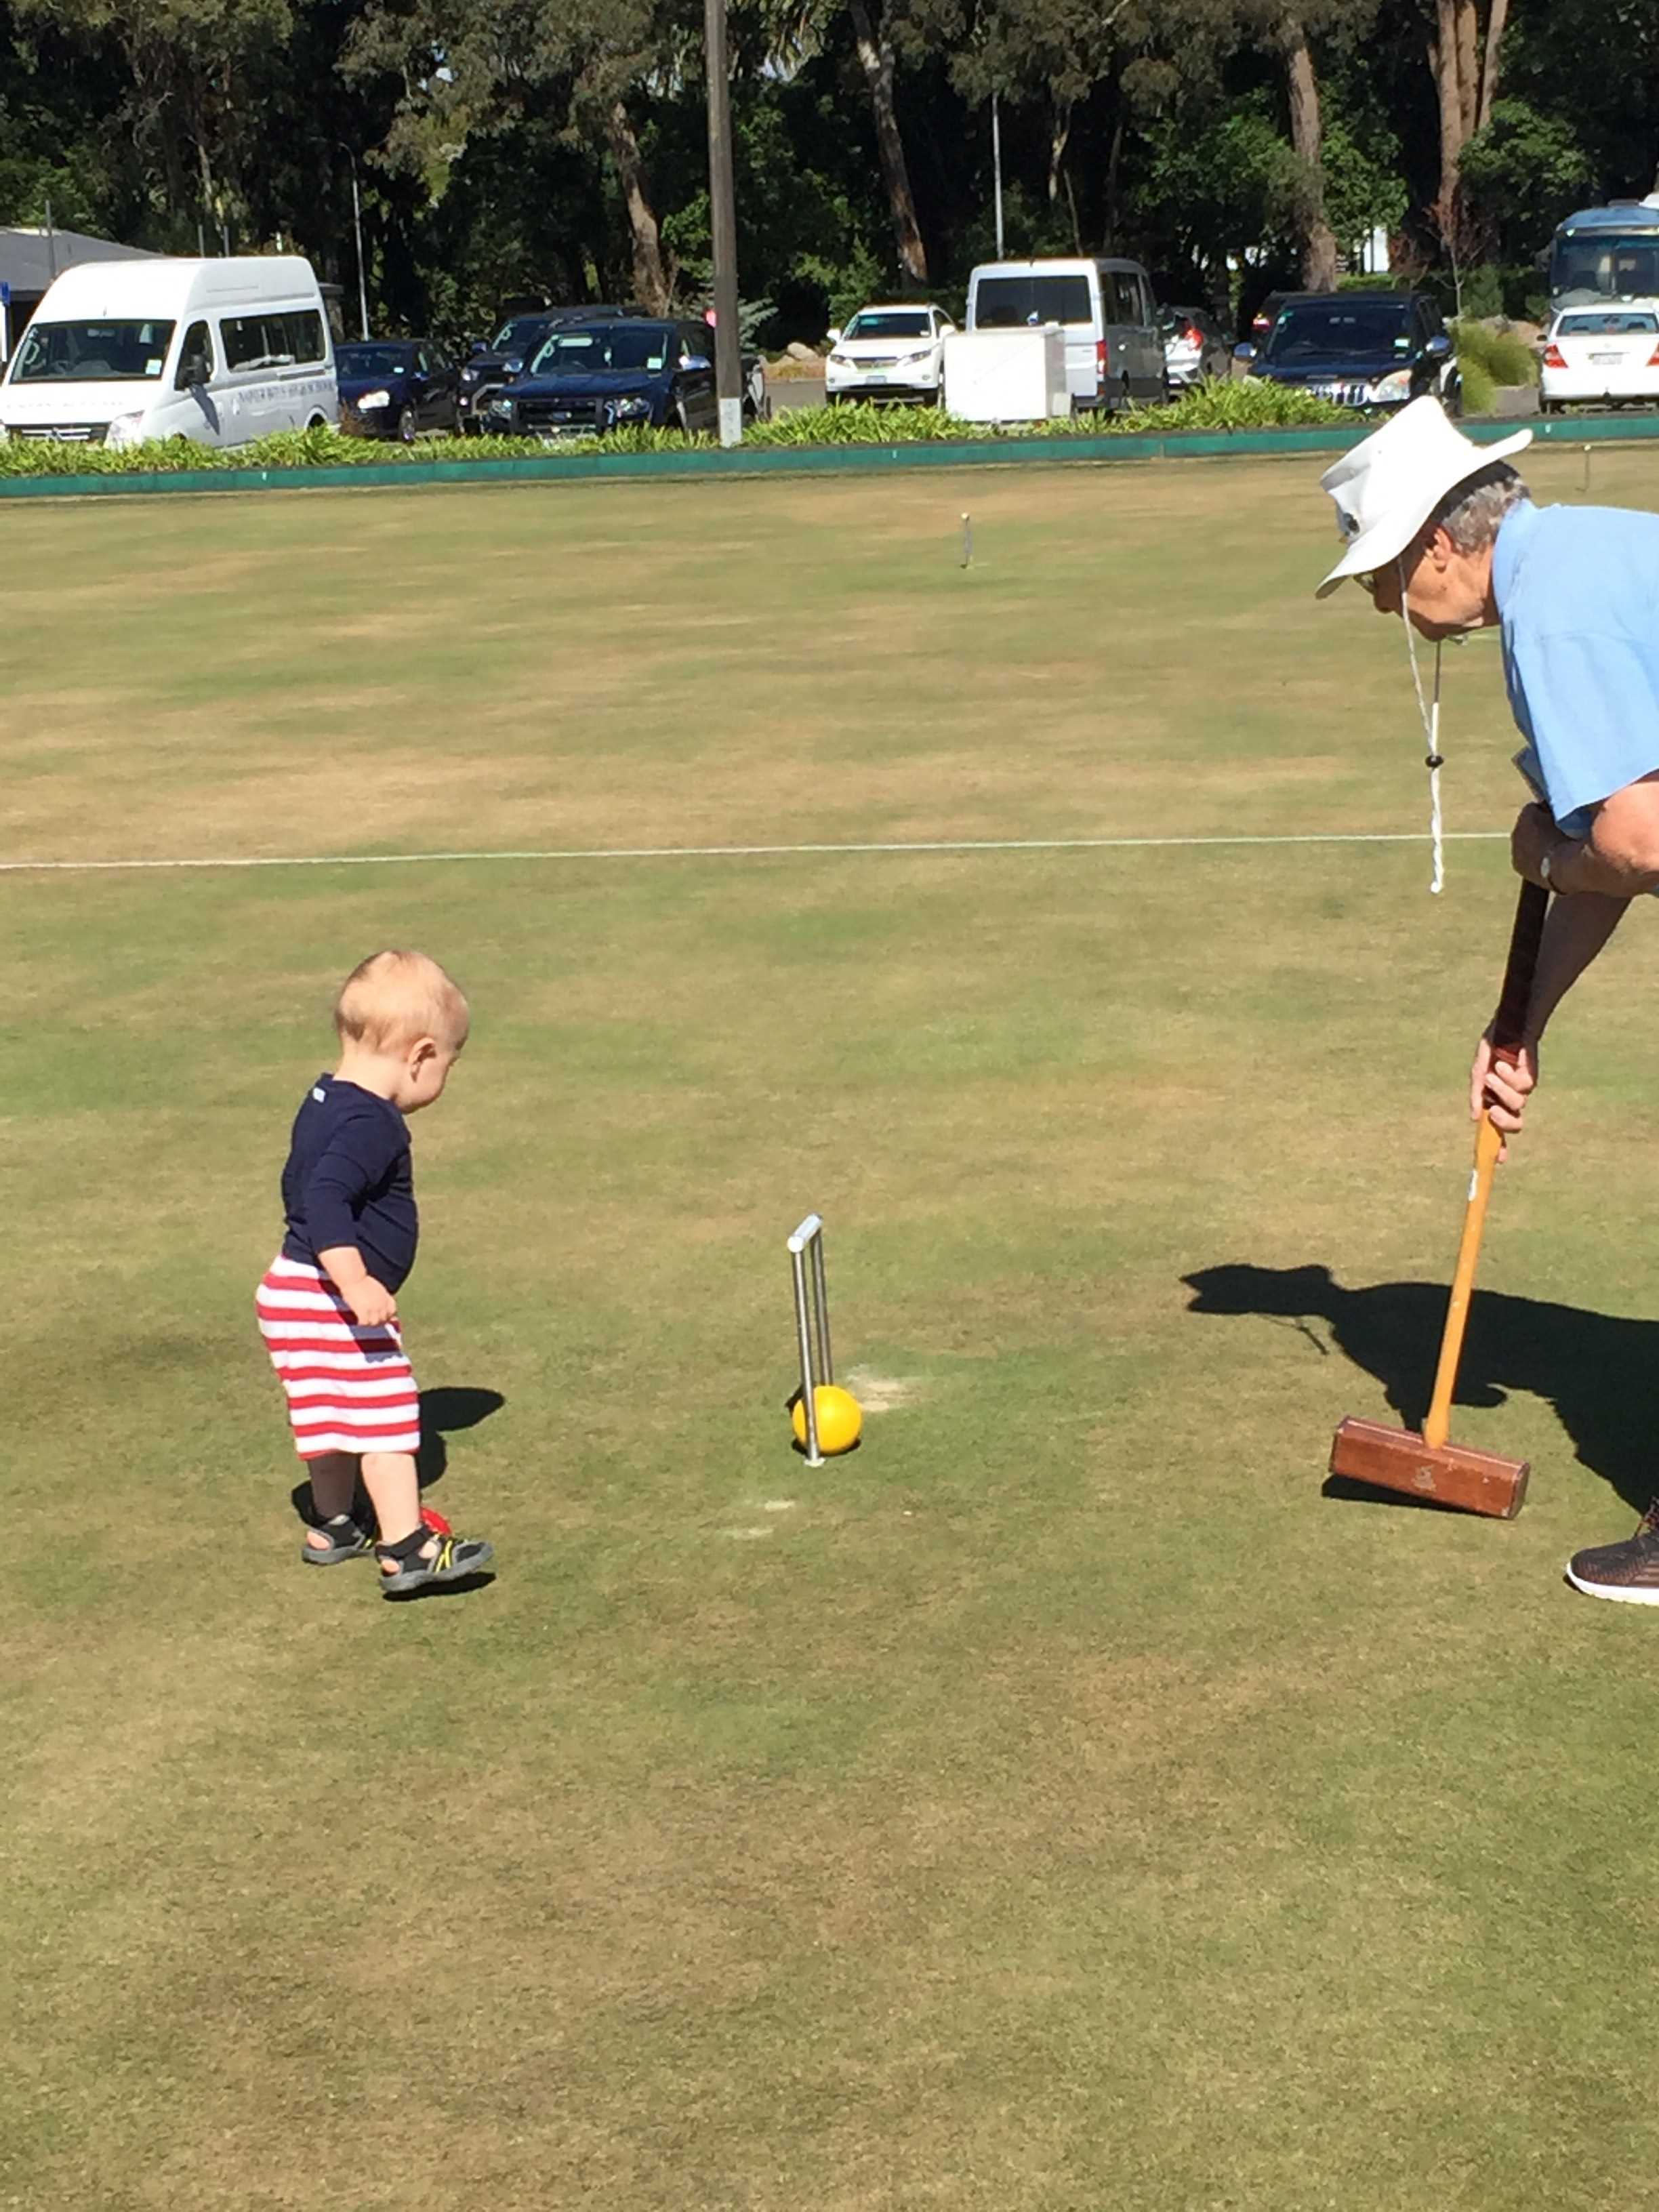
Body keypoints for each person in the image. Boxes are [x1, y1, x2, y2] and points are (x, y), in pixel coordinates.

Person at [1317, 396, 1659, 1601]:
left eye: (1381, 576)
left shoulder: (1551, 615)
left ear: (1439, 547)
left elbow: (1629, 841)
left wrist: (1543, 850)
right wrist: (1519, 1023)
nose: (1380, 604)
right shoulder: (1573, 558)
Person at [256, 949, 494, 1597]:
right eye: (447, 1062)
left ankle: (333, 1524)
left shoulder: (325, 1099)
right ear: (419, 1056)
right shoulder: (374, 1124)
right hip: (330, 1295)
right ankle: (407, 1546)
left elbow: (295, 1183)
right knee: (388, 1419)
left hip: (290, 1286)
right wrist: (355, 1280)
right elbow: (325, 1197)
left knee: (327, 1413)